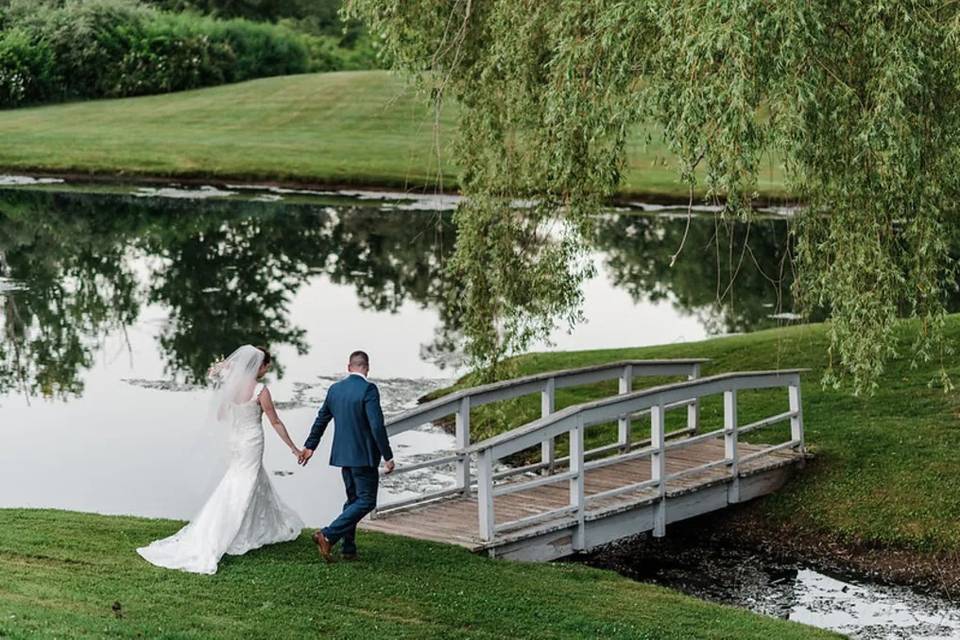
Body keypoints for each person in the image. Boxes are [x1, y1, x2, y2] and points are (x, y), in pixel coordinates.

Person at [137, 345, 304, 574]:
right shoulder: (260, 391)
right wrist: (294, 449)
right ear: (260, 366)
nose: (265, 371)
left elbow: (220, 415)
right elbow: (275, 422)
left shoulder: (232, 386)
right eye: (266, 366)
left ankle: (252, 527)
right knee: (244, 483)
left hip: (236, 441)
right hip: (251, 441)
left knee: (245, 480)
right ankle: (228, 531)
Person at [298, 350, 394, 562]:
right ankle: (328, 535)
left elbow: (322, 419)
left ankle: (348, 548)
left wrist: (310, 446)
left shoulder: (335, 389)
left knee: (353, 500)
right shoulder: (369, 389)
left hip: (343, 455)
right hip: (364, 456)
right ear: (367, 368)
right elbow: (376, 425)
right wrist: (388, 455)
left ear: (349, 367)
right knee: (367, 500)